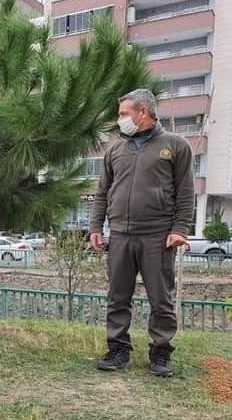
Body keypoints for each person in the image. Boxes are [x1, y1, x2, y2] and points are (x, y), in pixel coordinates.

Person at [90, 89, 194, 377]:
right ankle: (118, 349)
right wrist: (96, 227)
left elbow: (186, 194)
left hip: (157, 236)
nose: (119, 120)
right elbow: (102, 193)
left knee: (161, 298)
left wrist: (179, 229)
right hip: (120, 235)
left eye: (123, 114)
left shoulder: (176, 146)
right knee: (117, 296)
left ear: (143, 113)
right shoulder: (115, 150)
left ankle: (161, 353)